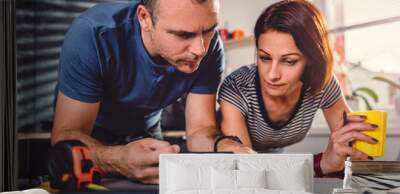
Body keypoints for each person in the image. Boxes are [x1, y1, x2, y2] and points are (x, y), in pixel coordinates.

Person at [51, 0, 224, 184]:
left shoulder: (211, 48)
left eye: (209, 30)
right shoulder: (92, 35)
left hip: (147, 137)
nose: (200, 49)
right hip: (92, 143)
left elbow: (200, 130)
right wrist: (115, 159)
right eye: (183, 35)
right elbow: (66, 135)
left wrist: (226, 146)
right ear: (144, 18)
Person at [216, 0, 377, 176]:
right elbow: (247, 171)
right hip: (223, 167)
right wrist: (321, 164)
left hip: (278, 163)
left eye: (289, 61)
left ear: (311, 59)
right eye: (265, 58)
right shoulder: (237, 87)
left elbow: (356, 150)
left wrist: (350, 151)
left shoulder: (322, 84)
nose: (272, 74)